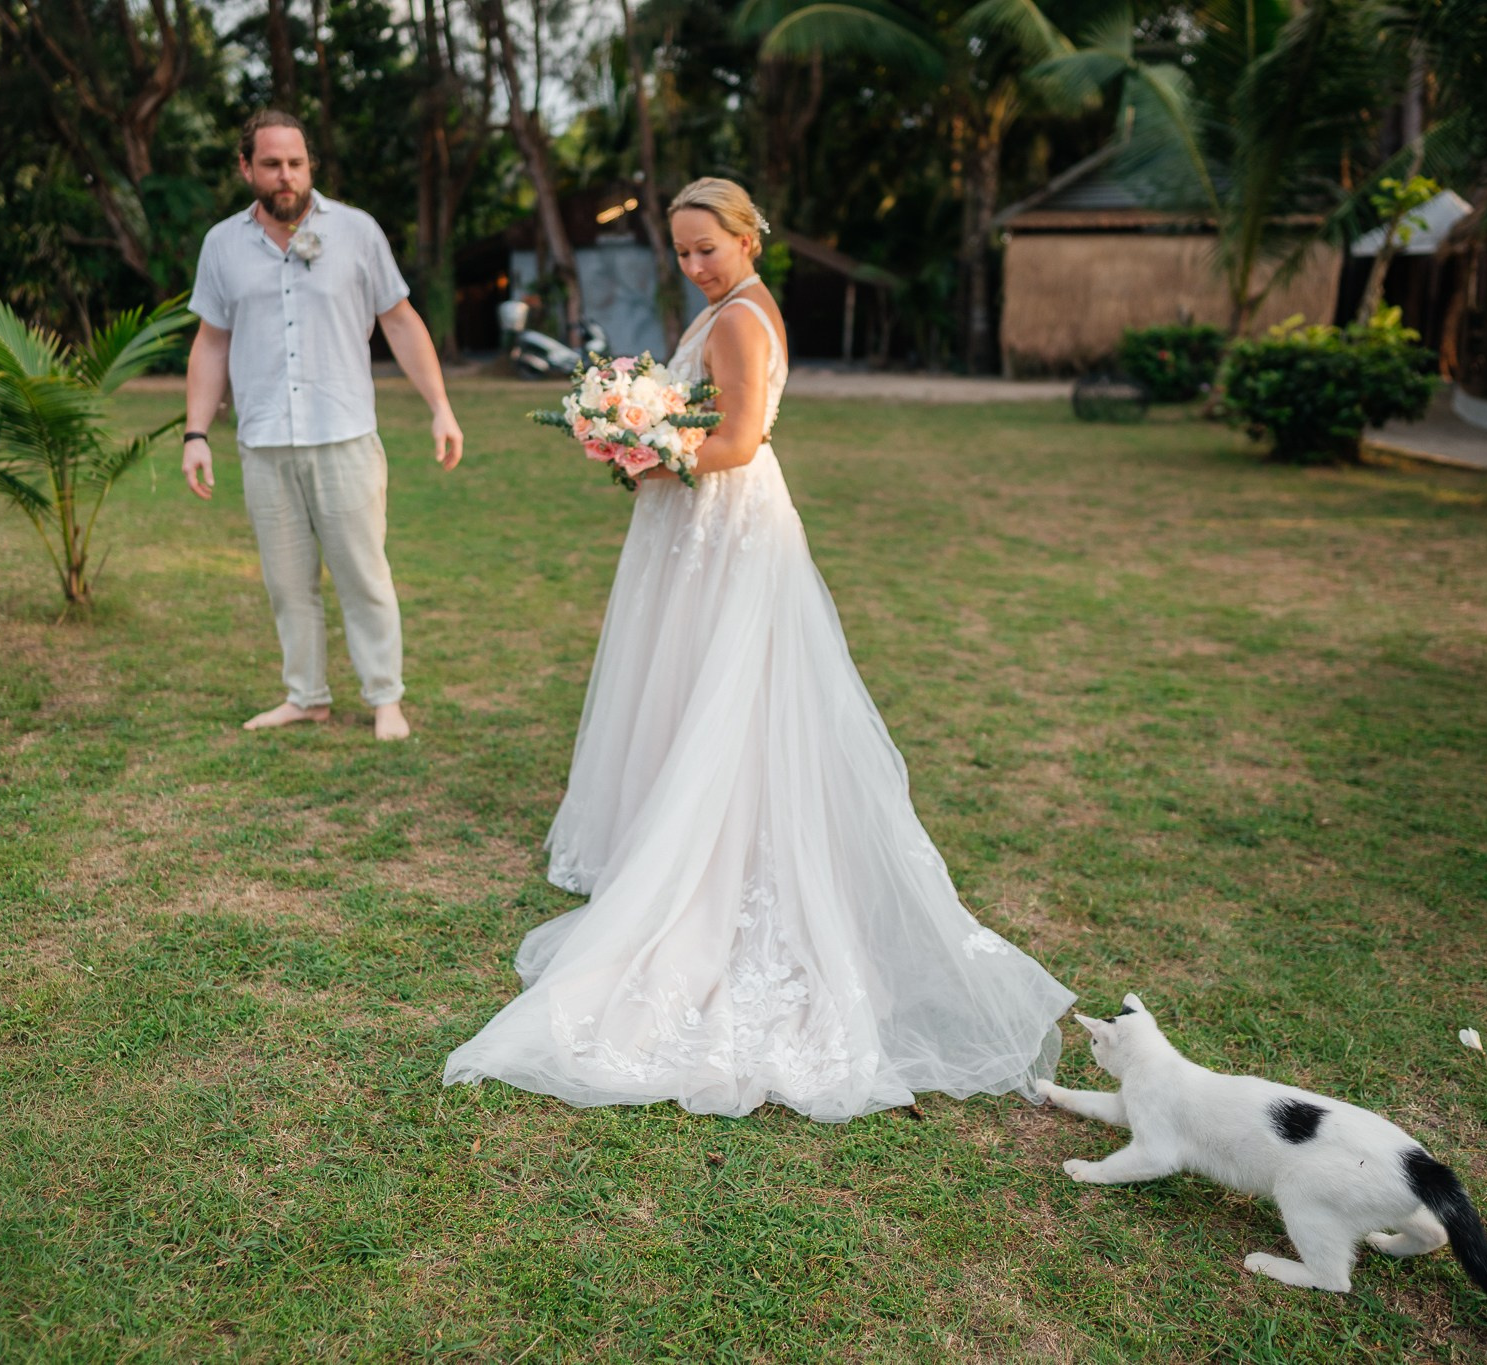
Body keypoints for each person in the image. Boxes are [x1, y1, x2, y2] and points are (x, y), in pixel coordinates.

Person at [444, 178, 1074, 1122]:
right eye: (682, 251)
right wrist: (641, 429)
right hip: (711, 523)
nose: (694, 264)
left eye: (708, 247)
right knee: (704, 682)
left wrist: (642, 446)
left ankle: (712, 857)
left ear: (747, 238)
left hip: (726, 522)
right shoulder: (734, 308)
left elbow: (738, 440)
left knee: (725, 685)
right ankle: (687, 829)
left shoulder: (740, 318)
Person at [182, 109, 464, 742]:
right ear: (246, 167)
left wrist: (440, 406)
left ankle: (385, 698)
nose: (286, 175)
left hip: (344, 437)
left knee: (364, 576)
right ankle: (306, 697)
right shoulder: (221, 244)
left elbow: (399, 321)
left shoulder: (357, 231)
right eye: (272, 164)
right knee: (288, 586)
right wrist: (196, 434)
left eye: (297, 163)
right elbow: (211, 341)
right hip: (264, 442)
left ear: (310, 164)